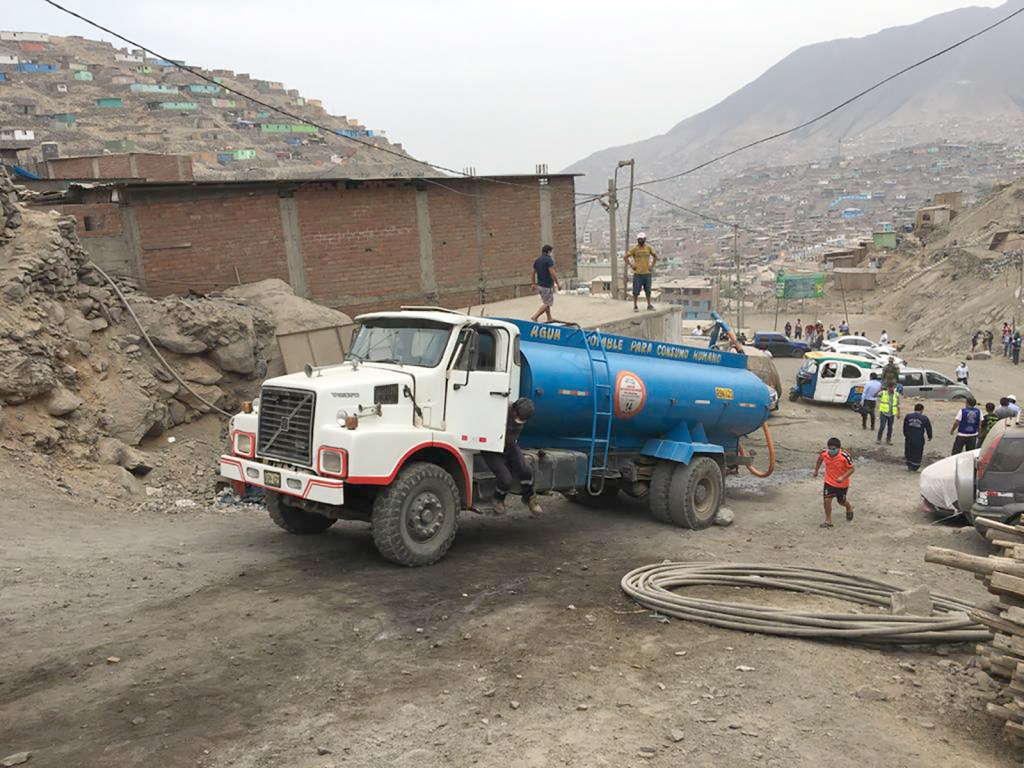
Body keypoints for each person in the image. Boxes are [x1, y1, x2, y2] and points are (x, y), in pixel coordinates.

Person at [482, 398, 543, 516]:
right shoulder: (501, 410)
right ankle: (498, 499)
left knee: (526, 470)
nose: (518, 420)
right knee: (505, 479)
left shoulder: (521, 419)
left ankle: (529, 498)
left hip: (509, 445)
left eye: (522, 419)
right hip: (491, 448)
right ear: (514, 409)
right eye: (517, 416)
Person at [813, 437, 855, 529]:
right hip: (829, 481)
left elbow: (852, 469)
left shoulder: (845, 456)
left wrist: (843, 477)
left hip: (842, 484)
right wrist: (816, 470)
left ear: (839, 448)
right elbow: (819, 460)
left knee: (841, 501)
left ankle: (848, 507)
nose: (831, 451)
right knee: (827, 500)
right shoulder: (824, 453)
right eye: (830, 448)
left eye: (834, 449)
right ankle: (828, 520)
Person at [625, 232, 657, 313]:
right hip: (638, 274)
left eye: (641, 239)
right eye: (639, 239)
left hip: (647, 273)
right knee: (636, 291)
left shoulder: (648, 248)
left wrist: (652, 266)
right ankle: (635, 305)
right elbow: (625, 257)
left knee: (648, 291)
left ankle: (649, 305)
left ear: (645, 239)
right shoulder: (635, 249)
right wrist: (631, 265)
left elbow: (655, 256)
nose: (640, 240)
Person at [530, 244, 560, 323]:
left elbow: (533, 272)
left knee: (546, 302)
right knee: (547, 303)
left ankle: (549, 317)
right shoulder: (548, 260)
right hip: (547, 285)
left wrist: (533, 283)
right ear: (549, 252)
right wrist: (557, 283)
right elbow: (552, 272)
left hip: (540, 285)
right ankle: (535, 316)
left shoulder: (537, 260)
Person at [903, 403, 933, 472]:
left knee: (909, 451)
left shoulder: (908, 416)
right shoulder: (924, 418)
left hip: (909, 438)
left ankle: (909, 465)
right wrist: (930, 436)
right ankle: (915, 466)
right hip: (919, 438)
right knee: (917, 452)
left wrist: (906, 435)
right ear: (922, 410)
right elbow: (928, 428)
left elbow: (905, 427)